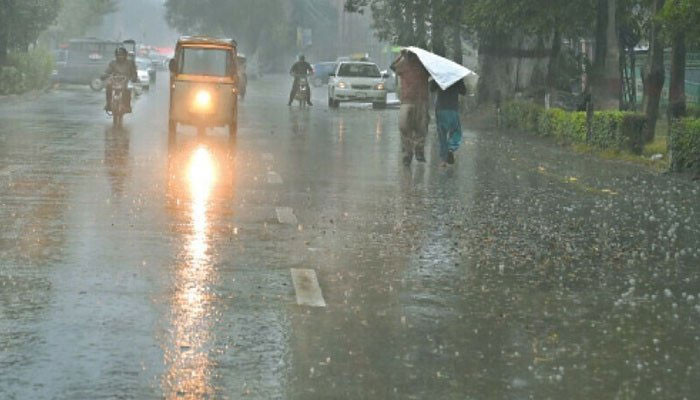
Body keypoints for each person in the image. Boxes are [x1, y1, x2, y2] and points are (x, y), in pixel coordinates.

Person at [390, 49, 429, 166]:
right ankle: (408, 153)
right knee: (404, 128)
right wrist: (400, 56)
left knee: (421, 128)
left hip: (421, 101)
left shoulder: (424, 66)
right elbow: (392, 66)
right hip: (407, 101)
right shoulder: (403, 65)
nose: (412, 58)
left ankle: (419, 151)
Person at [431, 78, 467, 166]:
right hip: (452, 108)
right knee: (456, 131)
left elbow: (431, 89)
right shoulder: (456, 76)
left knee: (442, 134)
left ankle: (443, 160)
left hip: (441, 109)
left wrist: (434, 79)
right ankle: (451, 148)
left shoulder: (439, 75)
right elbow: (464, 91)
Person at [102, 47, 139, 113]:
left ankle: (127, 106)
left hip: (126, 81)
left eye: (122, 55)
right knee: (108, 86)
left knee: (128, 89)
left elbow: (134, 72)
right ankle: (108, 104)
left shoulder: (130, 63)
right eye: (118, 55)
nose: (120, 56)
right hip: (114, 81)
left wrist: (134, 78)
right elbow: (107, 71)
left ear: (125, 55)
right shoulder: (112, 63)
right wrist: (104, 75)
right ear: (116, 55)